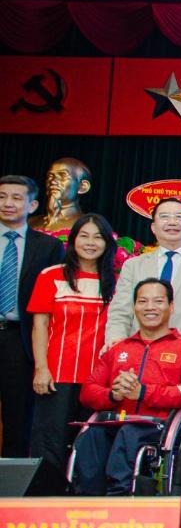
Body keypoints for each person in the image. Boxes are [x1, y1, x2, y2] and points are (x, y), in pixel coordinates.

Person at [74, 279, 181, 495]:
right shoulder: (118, 348)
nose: (150, 307)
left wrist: (143, 392)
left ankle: (120, 497)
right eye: (142, 301)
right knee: (93, 435)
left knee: (129, 433)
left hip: (157, 426)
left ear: (171, 307)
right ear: (134, 307)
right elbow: (88, 391)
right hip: (116, 421)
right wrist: (113, 395)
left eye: (158, 301)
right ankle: (88, 500)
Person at [27, 213, 117, 488]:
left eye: (98, 237)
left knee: (90, 443)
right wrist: (41, 368)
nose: (90, 243)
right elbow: (40, 325)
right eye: (84, 236)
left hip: (98, 379)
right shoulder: (52, 276)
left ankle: (83, 496)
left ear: (108, 243)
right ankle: (46, 496)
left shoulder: (117, 281)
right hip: (57, 373)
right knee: (50, 441)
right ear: (73, 240)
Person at [0, 175, 66, 457]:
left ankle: (10, 478)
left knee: (18, 417)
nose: (8, 203)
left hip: (21, 339)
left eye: (16, 198)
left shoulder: (48, 247)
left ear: (32, 205)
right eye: (2, 196)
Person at [107, 197, 181, 348]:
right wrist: (117, 343)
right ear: (153, 227)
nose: (172, 222)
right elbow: (120, 312)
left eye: (179, 217)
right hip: (138, 350)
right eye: (164, 217)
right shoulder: (133, 265)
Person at [29, 158, 92, 233]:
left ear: (83, 187)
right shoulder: (31, 222)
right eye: (50, 176)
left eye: (63, 176)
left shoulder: (88, 225)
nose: (53, 181)